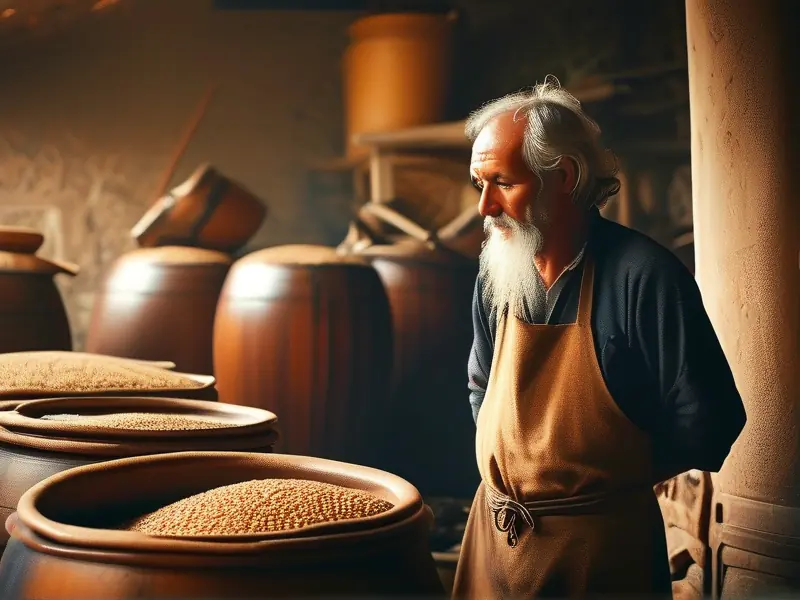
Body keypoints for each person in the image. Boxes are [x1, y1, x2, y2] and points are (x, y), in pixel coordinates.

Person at [452, 77, 747, 599]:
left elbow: (713, 421)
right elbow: (480, 385)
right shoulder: (496, 273)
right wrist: (521, 473)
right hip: (495, 547)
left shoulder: (645, 277)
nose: (485, 207)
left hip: (598, 555)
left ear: (564, 176)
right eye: (480, 184)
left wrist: (604, 486)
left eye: (503, 183)